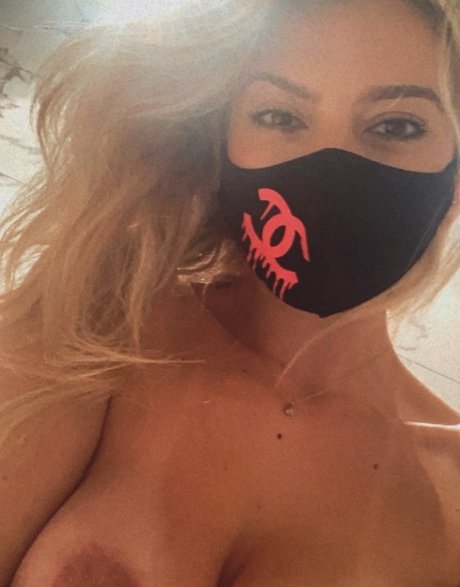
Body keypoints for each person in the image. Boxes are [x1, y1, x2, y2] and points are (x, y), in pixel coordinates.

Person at [0, 0, 459, 585]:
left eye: (398, 126)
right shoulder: (99, 326)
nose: (334, 172)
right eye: (279, 116)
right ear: (222, 146)